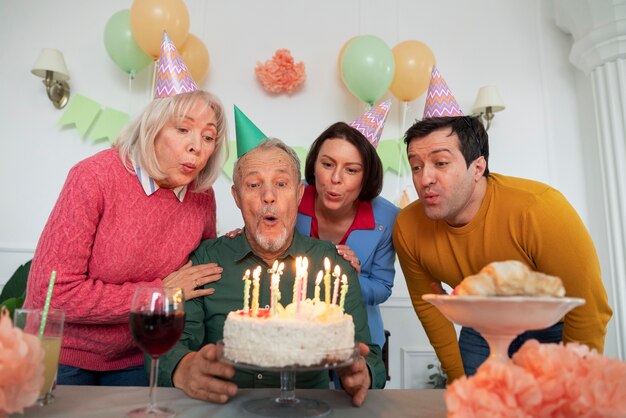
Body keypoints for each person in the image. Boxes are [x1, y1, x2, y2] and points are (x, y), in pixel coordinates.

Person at [23, 32, 228, 386]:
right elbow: (52, 293)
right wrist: (158, 293)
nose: (197, 146)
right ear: (152, 128)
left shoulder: (201, 197)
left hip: (143, 352)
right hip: (65, 352)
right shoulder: (94, 177)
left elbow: (195, 280)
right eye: (183, 129)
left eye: (208, 137)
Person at [392, 66, 612, 382]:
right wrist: (458, 382)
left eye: (441, 163)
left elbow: (587, 308)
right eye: (416, 166)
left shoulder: (540, 208)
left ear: (477, 166)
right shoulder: (408, 227)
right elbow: (428, 305)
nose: (424, 178)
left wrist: (573, 390)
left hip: (553, 323)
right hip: (482, 322)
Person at [158, 138, 386, 406]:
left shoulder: (334, 266)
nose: (269, 196)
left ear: (299, 194)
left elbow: (367, 356)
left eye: (281, 184)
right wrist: (183, 367)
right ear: (237, 197)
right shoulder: (205, 260)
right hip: (224, 408)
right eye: (254, 185)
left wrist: (364, 373)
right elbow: (171, 346)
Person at [296, 121, 398, 350]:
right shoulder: (291, 194)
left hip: (358, 338)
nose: (335, 178)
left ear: (366, 176)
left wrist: (352, 279)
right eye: (327, 164)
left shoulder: (387, 218)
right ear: (313, 166)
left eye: (351, 170)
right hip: (297, 336)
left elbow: (382, 286)